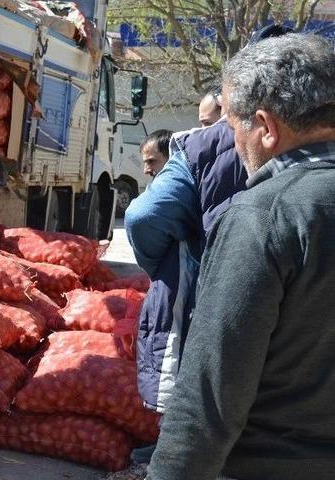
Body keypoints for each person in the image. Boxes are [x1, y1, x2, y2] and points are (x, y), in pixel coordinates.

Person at [148, 33, 335, 480]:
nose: (233, 144)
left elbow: (211, 394)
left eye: (233, 127)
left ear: (266, 128)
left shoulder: (265, 214)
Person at [123, 25, 292, 423]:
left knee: (201, 415)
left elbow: (144, 216)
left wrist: (167, 263)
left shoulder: (200, 146)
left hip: (210, 309)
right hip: (294, 330)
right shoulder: (315, 143)